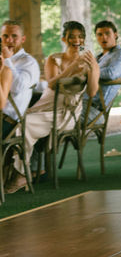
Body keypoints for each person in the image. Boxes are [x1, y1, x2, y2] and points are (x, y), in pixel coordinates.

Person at [6, 22, 100, 194]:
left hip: (67, 112)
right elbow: (52, 84)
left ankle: (21, 174)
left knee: (24, 127)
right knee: (17, 125)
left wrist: (93, 68)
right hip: (46, 104)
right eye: (72, 36)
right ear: (64, 38)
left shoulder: (89, 62)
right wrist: (73, 65)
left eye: (80, 36)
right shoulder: (54, 59)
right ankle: (23, 170)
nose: (76, 40)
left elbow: (93, 91)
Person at [1, 21, 39, 139]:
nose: (9, 40)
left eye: (14, 36)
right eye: (5, 36)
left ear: (23, 39)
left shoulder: (29, 62)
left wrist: (7, 61)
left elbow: (17, 88)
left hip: (8, 121)